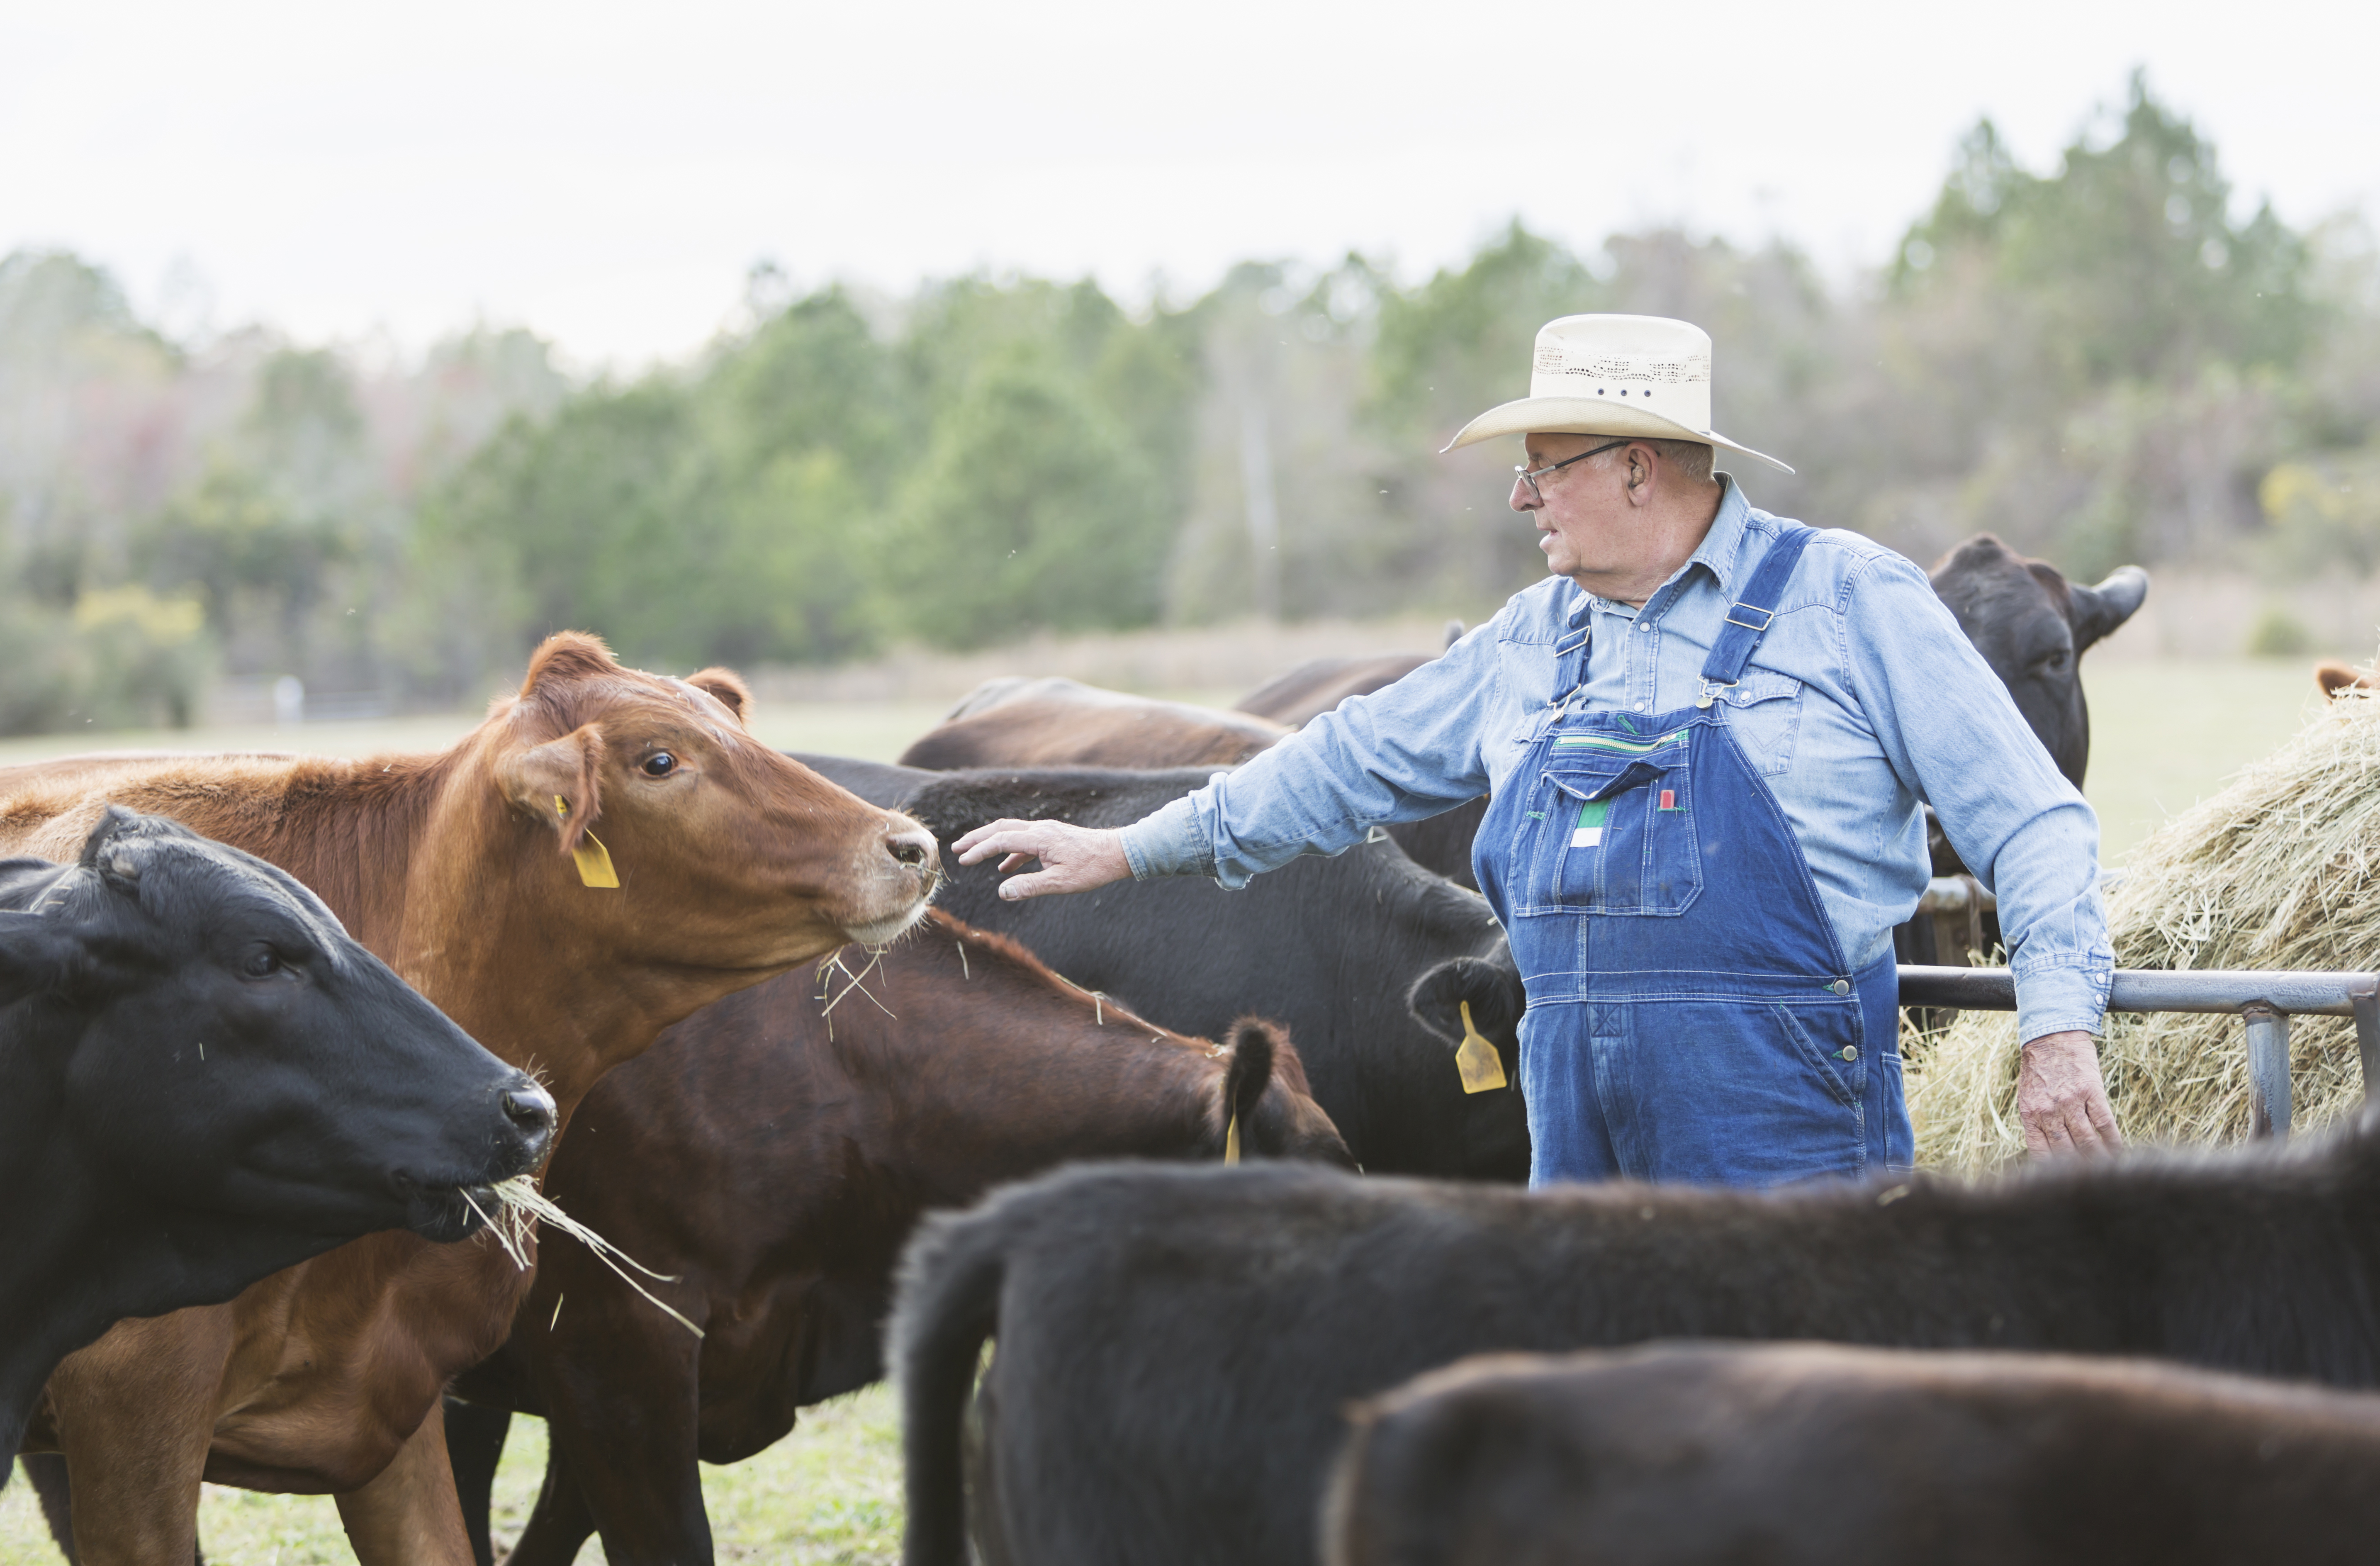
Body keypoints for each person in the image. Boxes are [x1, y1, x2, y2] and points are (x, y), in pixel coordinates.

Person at [955, 313, 2118, 1188]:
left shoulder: (1849, 603)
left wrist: (2057, 1030)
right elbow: (1334, 766)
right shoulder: (1530, 639)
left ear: (1635, 467)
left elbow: (2033, 821)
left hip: (1786, 1125)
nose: (1518, 497)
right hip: (1570, 1134)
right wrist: (1127, 849)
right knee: (1604, 1445)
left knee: (1792, 1441)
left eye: (1543, 464)